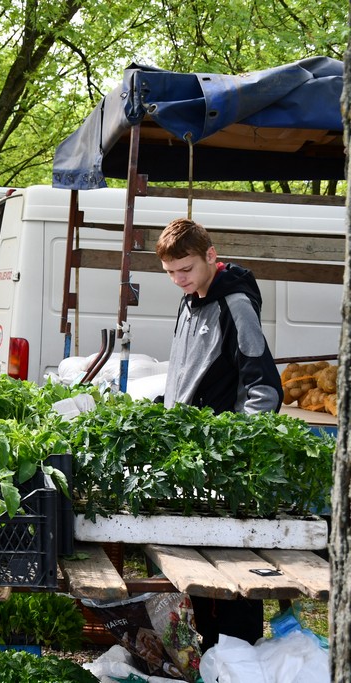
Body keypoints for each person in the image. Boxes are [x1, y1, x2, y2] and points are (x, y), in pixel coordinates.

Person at [157, 217, 282, 648]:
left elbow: (264, 386)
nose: (179, 279)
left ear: (211, 256)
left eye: (186, 269)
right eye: (171, 272)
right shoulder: (189, 299)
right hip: (188, 459)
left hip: (222, 464)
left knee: (229, 572)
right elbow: (187, 373)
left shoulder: (236, 303)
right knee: (194, 570)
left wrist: (239, 449)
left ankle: (236, 658)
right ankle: (206, 657)